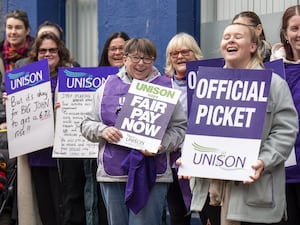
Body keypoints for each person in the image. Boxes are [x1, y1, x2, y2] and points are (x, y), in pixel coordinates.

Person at [178, 23, 298, 225]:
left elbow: (285, 131)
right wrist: (190, 159)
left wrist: (263, 161)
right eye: (226, 37)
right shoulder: (208, 84)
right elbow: (200, 131)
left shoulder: (274, 84)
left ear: (253, 46)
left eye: (237, 36)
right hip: (213, 196)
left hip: (255, 194)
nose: (230, 40)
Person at [80, 38, 187, 225]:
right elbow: (86, 124)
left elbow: (179, 128)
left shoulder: (165, 87)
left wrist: (161, 145)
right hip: (113, 172)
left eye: (147, 58)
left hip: (153, 173)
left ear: (153, 61)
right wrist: (103, 130)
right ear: (125, 58)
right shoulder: (107, 87)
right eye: (135, 57)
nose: (140, 63)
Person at [24, 32, 74, 225]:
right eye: (42, 50)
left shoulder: (68, 78)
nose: (47, 54)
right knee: (44, 211)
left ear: (60, 53)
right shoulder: (27, 80)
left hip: (61, 156)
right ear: (36, 54)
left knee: (63, 210)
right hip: (37, 155)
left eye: (52, 50)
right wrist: (11, 102)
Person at [84, 31, 129, 225]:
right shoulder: (99, 81)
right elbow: (86, 120)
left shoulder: (148, 81)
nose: (118, 52)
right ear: (106, 52)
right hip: (105, 158)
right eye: (113, 48)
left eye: (123, 48)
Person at [164, 32, 205, 225]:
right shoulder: (162, 85)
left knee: (206, 212)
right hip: (173, 161)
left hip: (202, 158)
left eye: (185, 52)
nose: (179, 57)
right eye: (174, 53)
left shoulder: (208, 81)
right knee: (177, 214)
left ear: (195, 53)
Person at [0, 9, 34, 225]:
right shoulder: (1, 56)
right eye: (9, 27)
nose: (13, 32)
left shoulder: (35, 58)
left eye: (17, 27)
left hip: (26, 126)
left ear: (27, 30)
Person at [270, 5, 300, 225]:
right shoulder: (272, 71)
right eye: (295, 28)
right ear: (285, 34)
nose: (299, 34)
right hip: (285, 169)